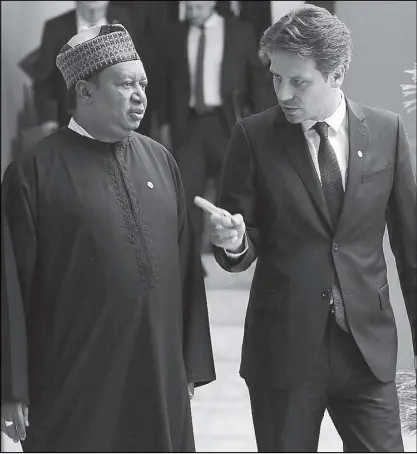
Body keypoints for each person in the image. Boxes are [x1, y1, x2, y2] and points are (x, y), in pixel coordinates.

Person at [198, 5, 416, 452]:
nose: (283, 93)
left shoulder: (387, 131)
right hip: (284, 351)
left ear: (336, 74)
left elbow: (411, 251)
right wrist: (234, 242)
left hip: (366, 351)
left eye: (299, 81)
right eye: (277, 78)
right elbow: (241, 239)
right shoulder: (252, 137)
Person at [1, 24, 215, 452]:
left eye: (144, 84)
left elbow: (186, 266)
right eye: (126, 84)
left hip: (158, 377)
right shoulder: (33, 172)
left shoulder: (160, 160)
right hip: (73, 384)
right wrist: (12, 389)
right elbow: (10, 290)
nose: (140, 95)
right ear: (85, 91)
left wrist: (190, 360)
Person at [158, 0, 272, 274]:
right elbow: (164, 83)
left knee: (232, 191)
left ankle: (234, 252)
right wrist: (162, 124)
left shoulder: (239, 31)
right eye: (189, 6)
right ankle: (191, 262)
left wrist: (260, 122)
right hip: (188, 125)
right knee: (186, 194)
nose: (192, 11)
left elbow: (257, 80)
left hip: (227, 124)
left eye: (197, 5)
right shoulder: (173, 34)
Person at [32, 1, 154, 137]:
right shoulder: (55, 27)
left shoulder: (127, 20)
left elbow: (140, 68)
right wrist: (48, 119)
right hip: (71, 121)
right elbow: (43, 78)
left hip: (122, 119)